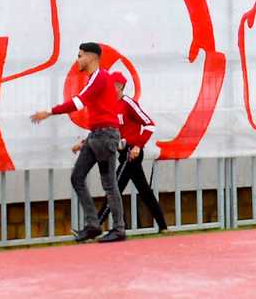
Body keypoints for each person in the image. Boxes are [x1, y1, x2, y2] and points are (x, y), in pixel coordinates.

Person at [30, 42, 126, 243]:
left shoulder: (99, 77)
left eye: (80, 55)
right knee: (77, 177)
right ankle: (93, 225)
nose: (78, 60)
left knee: (109, 184)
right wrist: (85, 141)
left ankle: (118, 229)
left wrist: (49, 112)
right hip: (97, 135)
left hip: (104, 136)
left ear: (91, 57)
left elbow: (78, 102)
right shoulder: (97, 78)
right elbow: (98, 112)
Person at [88, 71, 169, 234]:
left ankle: (94, 227)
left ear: (119, 86)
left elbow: (149, 124)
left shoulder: (128, 103)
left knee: (114, 188)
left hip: (132, 153)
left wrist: (138, 146)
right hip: (122, 152)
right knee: (144, 191)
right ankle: (163, 226)